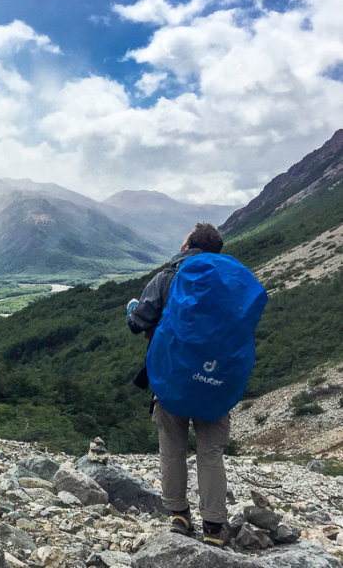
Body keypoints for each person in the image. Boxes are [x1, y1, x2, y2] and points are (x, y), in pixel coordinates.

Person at [126, 222, 230, 547]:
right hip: (214, 378)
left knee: (172, 446)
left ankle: (179, 517)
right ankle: (214, 528)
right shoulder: (228, 281)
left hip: (171, 376)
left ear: (187, 245)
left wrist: (132, 306)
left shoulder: (168, 277)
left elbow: (138, 322)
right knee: (210, 451)